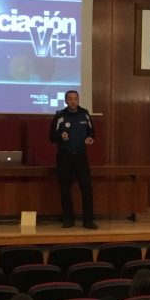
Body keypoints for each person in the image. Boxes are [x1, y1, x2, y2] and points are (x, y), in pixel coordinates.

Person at [49, 89, 97, 229]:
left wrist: (90, 138)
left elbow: (92, 132)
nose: (73, 101)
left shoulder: (85, 114)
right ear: (65, 101)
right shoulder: (60, 116)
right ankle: (68, 219)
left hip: (81, 157)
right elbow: (51, 137)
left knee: (87, 188)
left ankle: (88, 221)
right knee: (65, 189)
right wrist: (60, 137)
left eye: (75, 98)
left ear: (78, 100)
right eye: (70, 99)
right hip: (64, 157)